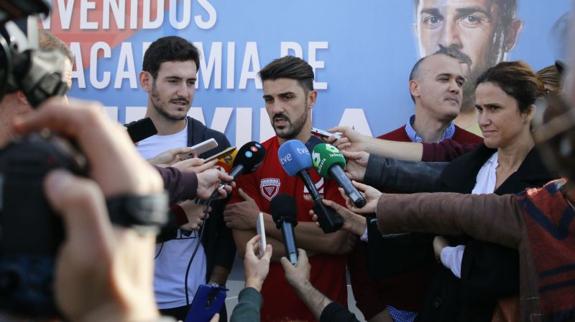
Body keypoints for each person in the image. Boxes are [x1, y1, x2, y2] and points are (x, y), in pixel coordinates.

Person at [342, 61, 555, 322]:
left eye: (494, 109)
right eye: (479, 109)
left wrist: (446, 253)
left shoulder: (550, 182)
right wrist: (365, 228)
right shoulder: (471, 165)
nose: (483, 120)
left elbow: (503, 271)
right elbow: (430, 220)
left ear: (528, 112)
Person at [350, 47, 482, 322]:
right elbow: (359, 241)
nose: (455, 88)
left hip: (459, 309)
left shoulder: (478, 151)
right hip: (394, 309)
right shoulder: (373, 154)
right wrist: (374, 310)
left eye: (460, 81)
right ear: (415, 88)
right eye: (444, 79)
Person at [224, 56, 354, 322]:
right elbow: (249, 249)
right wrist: (320, 241)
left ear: (312, 99)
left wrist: (260, 220)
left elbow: (341, 240)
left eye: (287, 97)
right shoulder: (251, 160)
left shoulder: (335, 159)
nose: (276, 108)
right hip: (266, 314)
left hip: (324, 312)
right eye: (269, 100)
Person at [136, 36, 235, 321]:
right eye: (173, 81)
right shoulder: (120, 145)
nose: (184, 92)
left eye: (191, 82)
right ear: (146, 81)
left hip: (193, 305)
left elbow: (225, 229)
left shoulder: (213, 143)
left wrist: (214, 291)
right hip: (131, 304)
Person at [413, 0, 522, 133]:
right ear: (417, 31)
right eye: (433, 20)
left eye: (471, 19)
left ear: (510, 36)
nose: (446, 40)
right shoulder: (402, 139)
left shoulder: (531, 136)